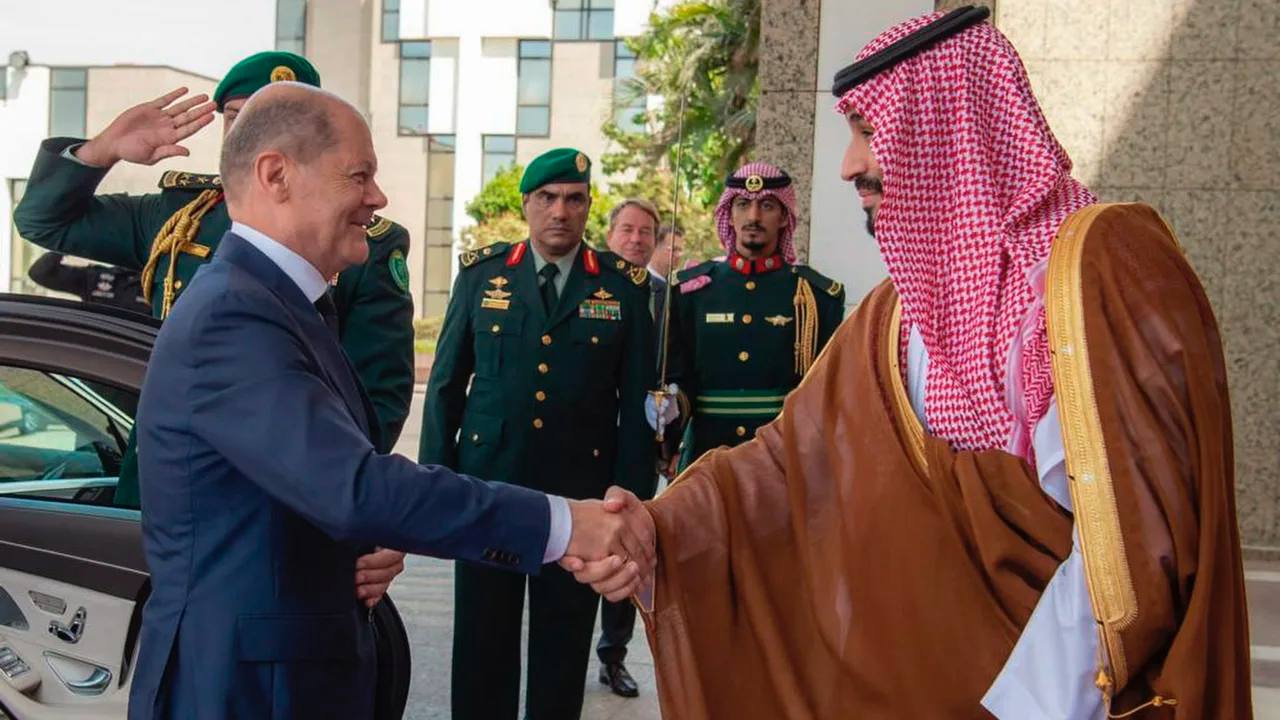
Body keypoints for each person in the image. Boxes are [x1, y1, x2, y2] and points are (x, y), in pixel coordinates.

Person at [575, 7, 1251, 718]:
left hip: (1060, 697)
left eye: (867, 131)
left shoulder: (1097, 269)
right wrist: (660, 529)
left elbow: (1135, 547)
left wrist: (1022, 708)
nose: (849, 165)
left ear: (946, 127)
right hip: (930, 685)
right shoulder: (897, 314)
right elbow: (787, 463)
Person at [130, 83, 652, 720]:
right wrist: (568, 524)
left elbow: (301, 488)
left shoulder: (281, 304)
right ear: (276, 175)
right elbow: (354, 487)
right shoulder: (234, 315)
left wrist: (359, 544)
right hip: (246, 693)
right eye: (359, 176)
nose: (377, 197)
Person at [13, 50, 415, 465]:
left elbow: (374, 404)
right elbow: (44, 223)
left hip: (290, 479)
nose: (251, 133)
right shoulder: (180, 217)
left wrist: (322, 483)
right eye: (237, 118)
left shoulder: (363, 242)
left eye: (272, 120)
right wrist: (102, 150)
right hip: (161, 465)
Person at [420, 148, 657, 719]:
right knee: (482, 640)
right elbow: (446, 385)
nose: (560, 211)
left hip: (580, 498)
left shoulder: (622, 288)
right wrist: (433, 486)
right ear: (527, 204)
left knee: (563, 643)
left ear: (588, 207)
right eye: (547, 198)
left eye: (574, 199)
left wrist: (630, 495)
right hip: (489, 488)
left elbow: (639, 404)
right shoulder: (482, 275)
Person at [651, 162, 845, 471]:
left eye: (766, 206)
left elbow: (827, 392)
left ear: (784, 216)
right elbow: (676, 377)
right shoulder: (690, 291)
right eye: (743, 204)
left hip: (783, 460)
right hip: (708, 458)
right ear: (729, 214)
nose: (753, 217)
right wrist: (668, 419)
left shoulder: (816, 296)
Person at [597, 197, 664, 698]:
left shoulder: (670, 296)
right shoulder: (589, 282)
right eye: (627, 229)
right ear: (609, 234)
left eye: (645, 232)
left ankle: (613, 656)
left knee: (627, 554)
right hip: (587, 444)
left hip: (637, 446)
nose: (636, 240)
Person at [26, 251, 149, 312]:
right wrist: (61, 248)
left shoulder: (95, 272)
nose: (69, 265)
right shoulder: (93, 295)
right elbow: (37, 273)